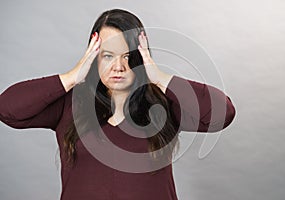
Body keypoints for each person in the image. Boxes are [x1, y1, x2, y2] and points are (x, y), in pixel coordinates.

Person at [0, 8, 236, 200]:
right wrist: (73, 76)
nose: (118, 66)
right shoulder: (70, 103)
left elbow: (223, 114)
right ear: (93, 57)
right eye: (108, 55)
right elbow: (7, 108)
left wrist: (159, 77)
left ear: (140, 57)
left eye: (127, 55)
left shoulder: (163, 104)